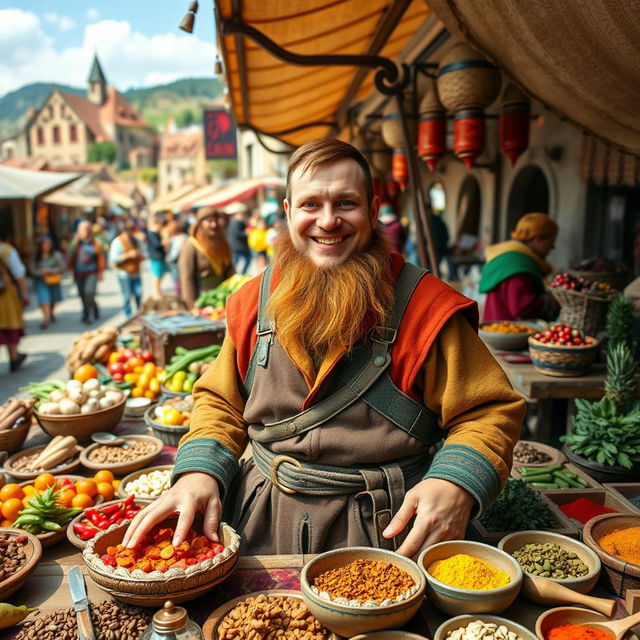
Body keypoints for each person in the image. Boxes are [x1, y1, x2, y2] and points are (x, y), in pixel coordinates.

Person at [124, 139, 524, 557]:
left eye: (346, 203)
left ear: (372, 212)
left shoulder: (428, 307)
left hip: (390, 532)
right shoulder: (250, 302)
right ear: (288, 212)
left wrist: (455, 481)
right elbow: (220, 401)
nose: (328, 221)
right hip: (260, 523)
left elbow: (488, 410)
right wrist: (198, 473)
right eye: (310, 205)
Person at [480, 212, 560, 322]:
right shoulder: (518, 265)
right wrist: (550, 301)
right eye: (551, 242)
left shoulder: (506, 255)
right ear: (537, 239)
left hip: (495, 330)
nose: (552, 247)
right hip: (509, 334)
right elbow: (521, 306)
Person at [178, 207, 234, 309]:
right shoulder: (191, 245)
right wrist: (191, 305)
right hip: (201, 299)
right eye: (209, 221)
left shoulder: (222, 243)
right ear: (200, 224)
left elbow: (230, 268)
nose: (214, 225)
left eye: (216, 221)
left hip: (222, 297)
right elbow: (186, 277)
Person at [68, 221, 105, 325]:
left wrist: (101, 272)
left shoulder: (95, 243)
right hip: (79, 273)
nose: (84, 232)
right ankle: (87, 311)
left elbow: (101, 258)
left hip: (92, 272)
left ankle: (89, 313)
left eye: (86, 229)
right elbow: (70, 258)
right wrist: (70, 272)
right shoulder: (75, 243)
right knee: (82, 294)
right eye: (82, 230)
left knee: (89, 293)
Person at [0, 239, 29, 372]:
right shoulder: (7, 250)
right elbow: (19, 274)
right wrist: (24, 293)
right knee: (10, 324)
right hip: (6, 295)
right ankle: (14, 357)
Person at [109, 219, 144, 318]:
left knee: (138, 294)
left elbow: (144, 252)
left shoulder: (135, 240)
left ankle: (139, 314)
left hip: (135, 271)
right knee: (127, 296)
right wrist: (127, 255)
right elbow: (113, 259)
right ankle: (128, 316)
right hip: (124, 273)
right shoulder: (117, 242)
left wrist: (139, 255)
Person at [31, 235, 65, 329]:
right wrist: (40, 272)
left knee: (53, 299)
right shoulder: (36, 256)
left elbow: (62, 267)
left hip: (53, 280)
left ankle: (50, 313)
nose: (46, 246)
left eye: (48, 244)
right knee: (44, 299)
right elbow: (32, 269)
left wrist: (51, 270)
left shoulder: (56, 255)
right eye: (44, 244)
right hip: (41, 280)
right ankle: (46, 318)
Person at [146, 213, 168, 297]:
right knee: (157, 275)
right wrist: (163, 243)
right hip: (156, 257)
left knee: (160, 275)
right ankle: (156, 292)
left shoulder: (156, 233)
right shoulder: (152, 233)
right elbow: (156, 244)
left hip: (159, 257)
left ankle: (158, 290)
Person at [165, 219, 188, 294]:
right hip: (183, 264)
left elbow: (174, 255)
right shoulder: (185, 236)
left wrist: (167, 259)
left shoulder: (178, 239)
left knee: (178, 283)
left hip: (177, 265)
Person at [227, 209, 252, 275]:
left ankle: (235, 274)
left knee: (236, 262)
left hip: (236, 246)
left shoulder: (233, 222)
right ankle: (239, 274)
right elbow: (238, 234)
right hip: (239, 246)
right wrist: (246, 233)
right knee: (246, 260)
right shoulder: (236, 222)